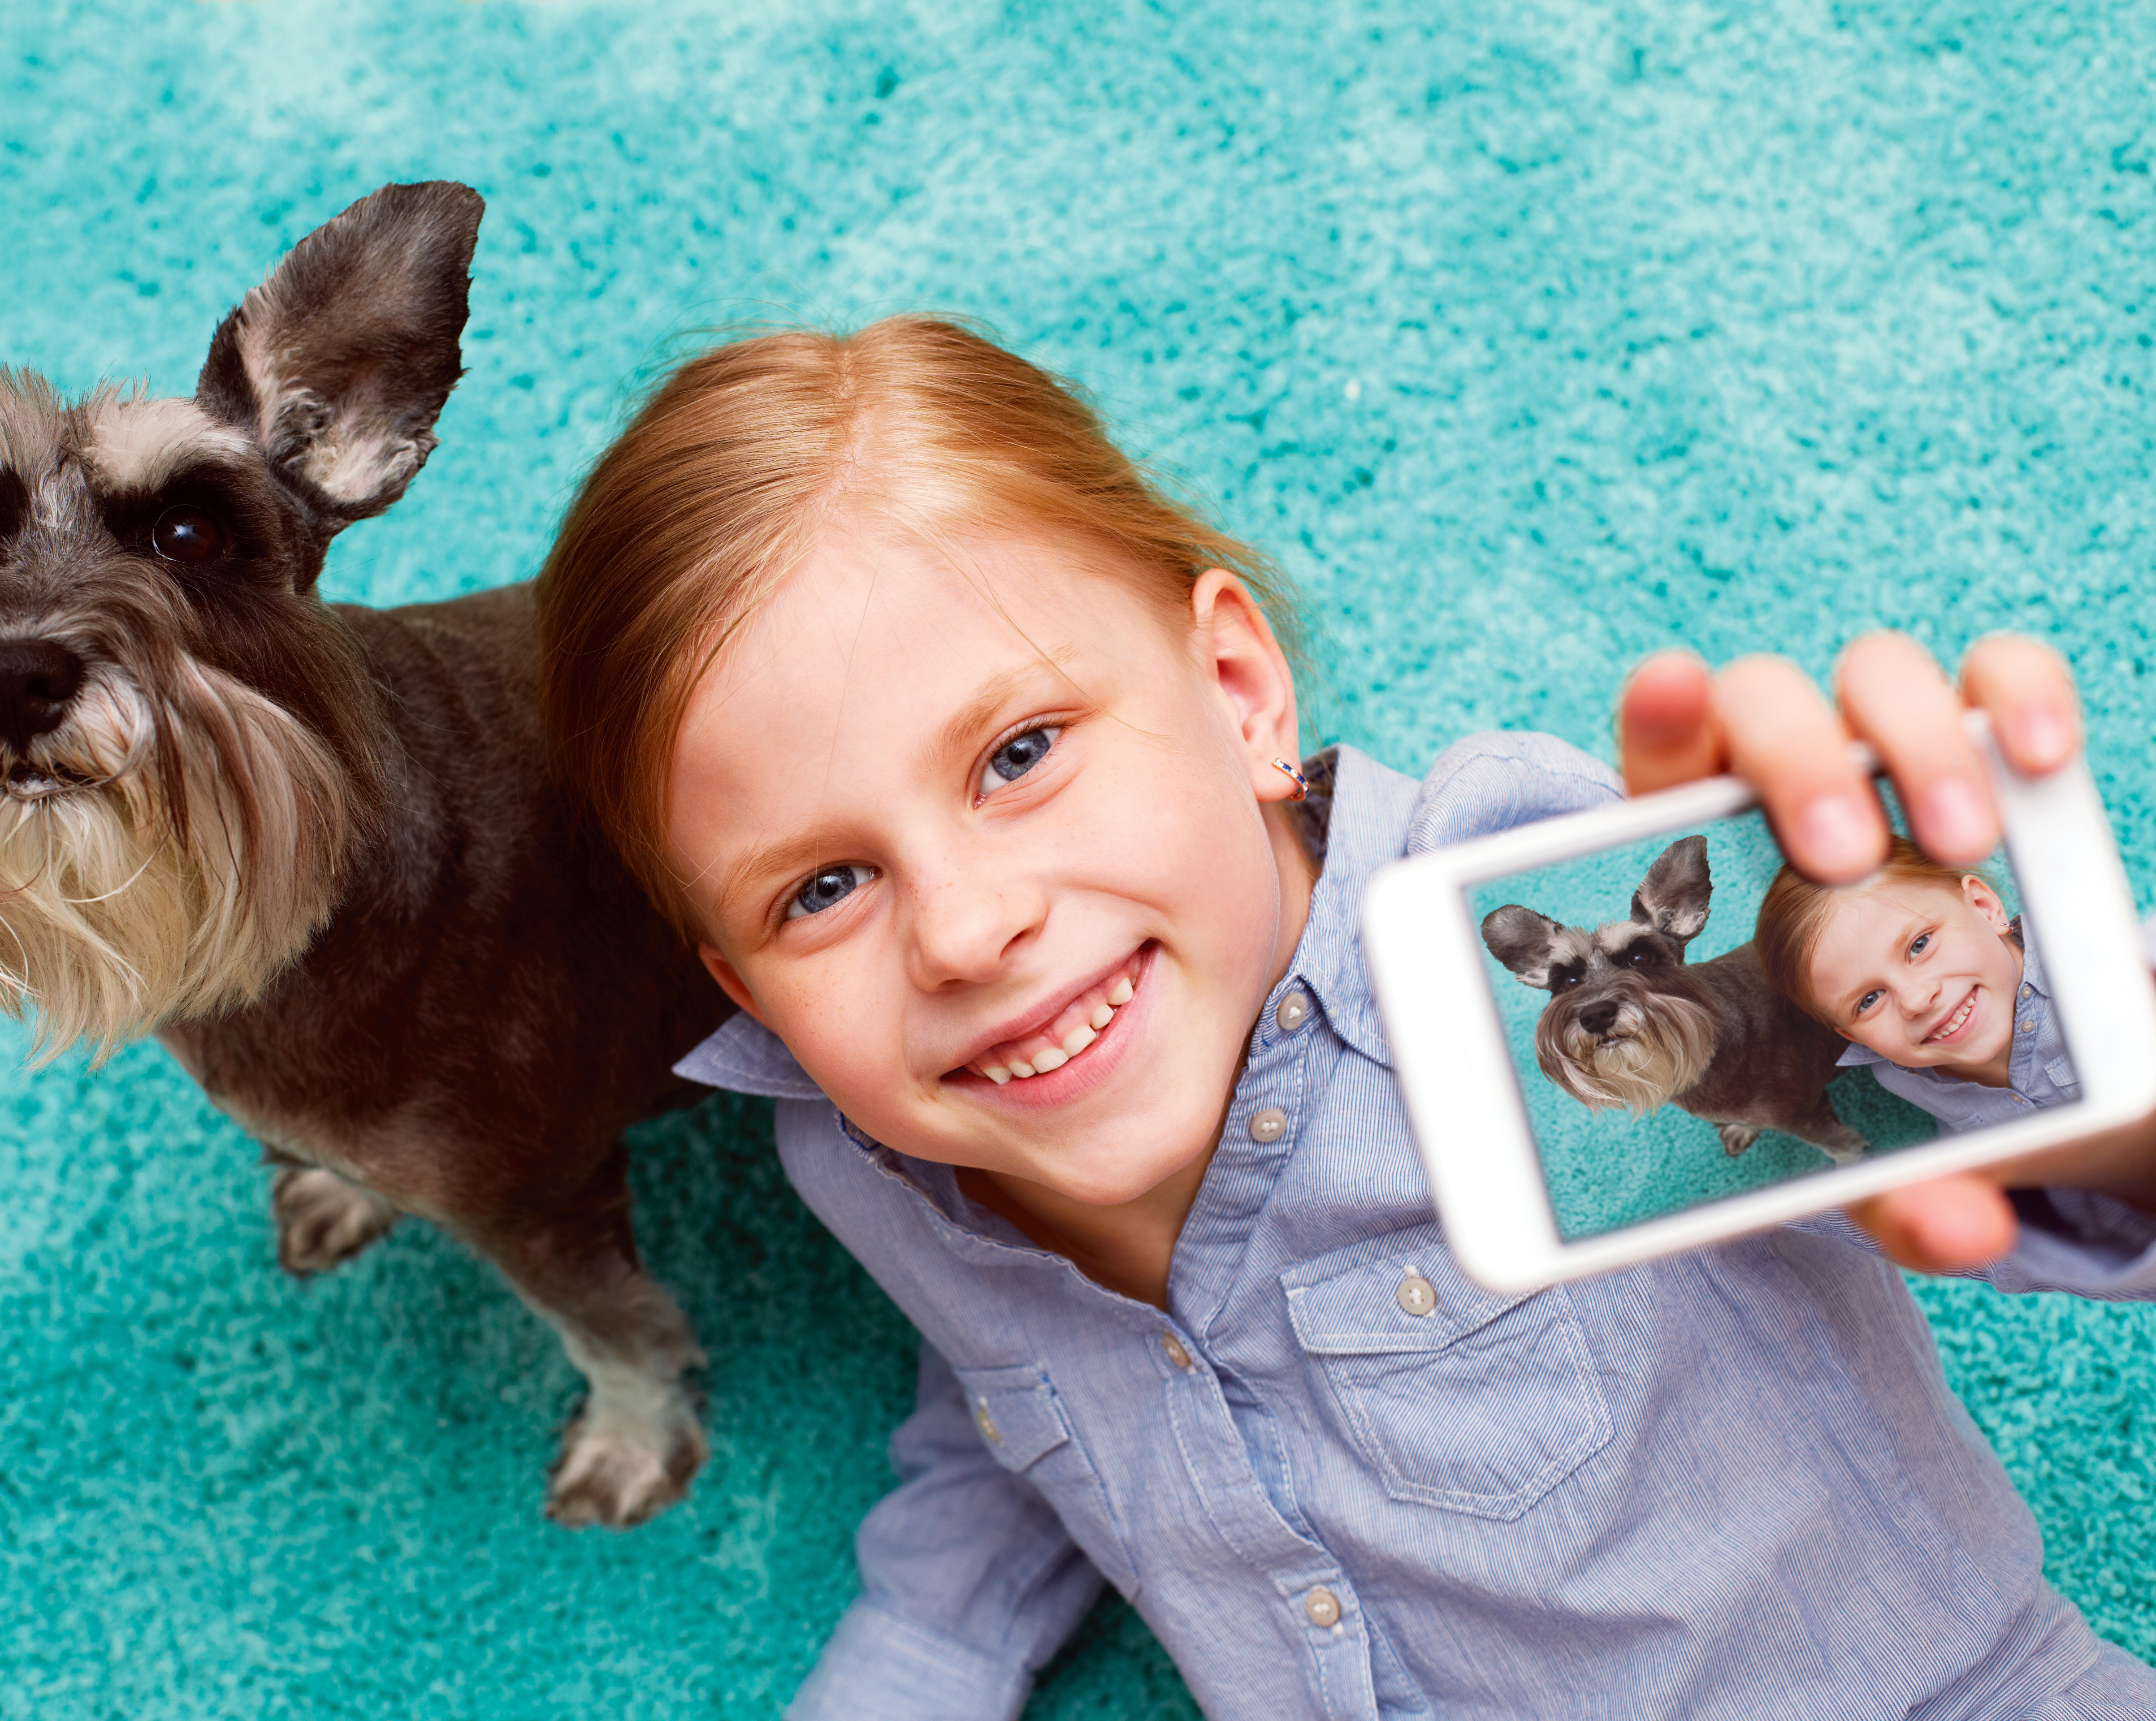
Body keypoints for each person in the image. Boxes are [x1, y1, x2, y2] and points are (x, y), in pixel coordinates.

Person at [533, 316, 2156, 1719]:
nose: (965, 932)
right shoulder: (864, 1147)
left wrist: (2080, 1041)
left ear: (1239, 694)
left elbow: (1949, 1095)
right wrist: (922, 1654)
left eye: (1020, 753)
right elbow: (1028, 1396)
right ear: (744, 988)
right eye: (819, 890)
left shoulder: (1511, 922)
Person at [1756, 836, 2104, 1136]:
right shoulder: (1902, 1078)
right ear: (1854, 1036)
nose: (1917, 1000)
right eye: (1869, 1000)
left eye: (1919, 946)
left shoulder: (2097, 967)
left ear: (1985, 909)